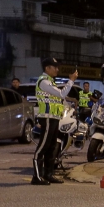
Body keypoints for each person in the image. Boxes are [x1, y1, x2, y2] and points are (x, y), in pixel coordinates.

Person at [32, 57, 77, 185]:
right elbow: (61, 94)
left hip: (54, 118)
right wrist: (71, 81)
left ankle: (48, 174)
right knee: (43, 147)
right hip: (46, 117)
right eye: (55, 67)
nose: (57, 69)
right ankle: (37, 176)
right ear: (47, 68)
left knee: (52, 147)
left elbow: (59, 99)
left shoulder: (51, 81)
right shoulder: (44, 81)